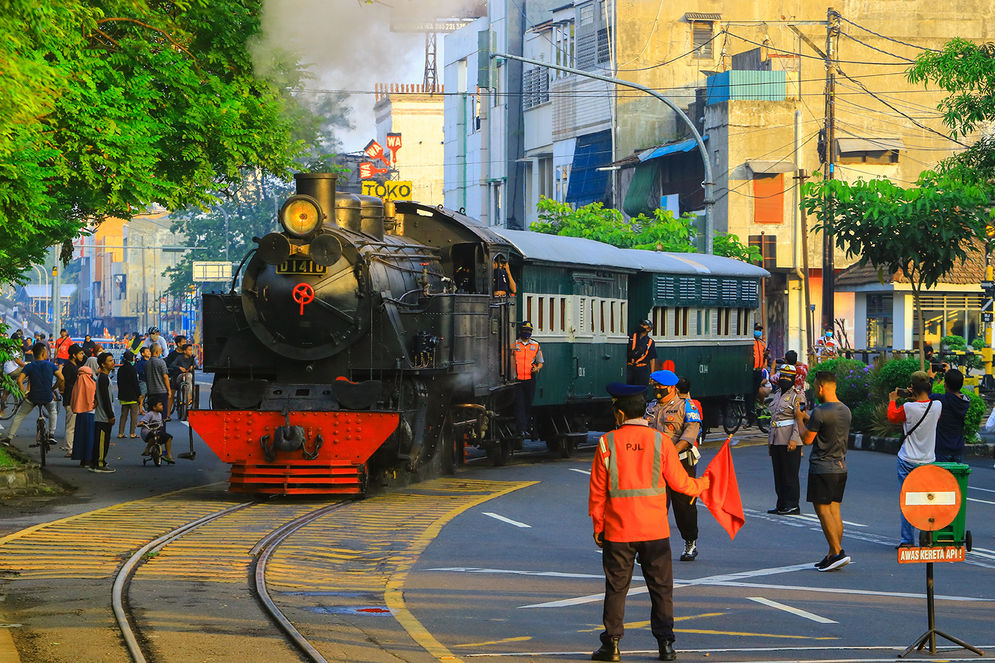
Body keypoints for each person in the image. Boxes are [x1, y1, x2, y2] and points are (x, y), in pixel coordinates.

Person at [589, 382, 710, 662]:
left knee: (617, 588)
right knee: (661, 588)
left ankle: (612, 644)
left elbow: (597, 493)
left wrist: (598, 527)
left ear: (619, 414)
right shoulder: (662, 442)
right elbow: (681, 484)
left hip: (618, 531)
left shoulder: (606, 443)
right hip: (655, 531)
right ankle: (666, 645)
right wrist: (706, 482)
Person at [793, 371, 852, 571]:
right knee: (835, 511)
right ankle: (832, 553)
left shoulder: (820, 411)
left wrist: (799, 419)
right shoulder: (845, 410)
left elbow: (807, 438)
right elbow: (827, 426)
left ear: (820, 387)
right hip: (840, 467)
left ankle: (837, 552)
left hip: (822, 467)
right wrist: (807, 417)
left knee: (823, 511)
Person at [646, 370, 702, 562]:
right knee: (654, 506)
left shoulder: (686, 406)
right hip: (655, 463)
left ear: (671, 387)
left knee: (684, 506)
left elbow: (690, 433)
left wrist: (671, 453)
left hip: (680, 462)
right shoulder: (651, 407)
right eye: (655, 386)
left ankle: (690, 542)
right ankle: (652, 546)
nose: (656, 389)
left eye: (660, 386)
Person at [888, 370, 942, 547]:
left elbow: (892, 416)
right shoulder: (937, 406)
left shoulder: (908, 408)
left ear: (911, 388)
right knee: (927, 500)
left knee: (907, 501)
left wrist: (892, 400)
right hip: (928, 460)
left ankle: (907, 540)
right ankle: (928, 538)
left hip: (907, 460)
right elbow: (928, 407)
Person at [1, 342, 64, 446]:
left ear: (34, 354)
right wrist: (53, 388)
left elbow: (20, 380)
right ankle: (51, 434)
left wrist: (24, 393)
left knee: (20, 415)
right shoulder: (51, 365)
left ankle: (9, 438)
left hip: (32, 396)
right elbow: (61, 378)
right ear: (44, 353)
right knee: (53, 411)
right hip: (47, 396)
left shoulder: (30, 366)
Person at [766, 364, 806, 515]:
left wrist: (794, 439)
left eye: (788, 377)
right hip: (776, 439)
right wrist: (770, 442)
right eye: (782, 376)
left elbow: (800, 419)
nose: (784, 379)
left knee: (790, 475)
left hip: (790, 439)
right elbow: (774, 419)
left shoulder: (798, 396)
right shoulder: (777, 394)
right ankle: (781, 503)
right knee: (779, 474)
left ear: (793, 379)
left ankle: (793, 504)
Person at [930, 369, 970, 463]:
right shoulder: (965, 402)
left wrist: (931, 378)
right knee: (956, 478)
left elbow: (925, 397)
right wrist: (951, 374)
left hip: (941, 448)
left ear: (945, 385)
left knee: (941, 477)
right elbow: (955, 394)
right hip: (958, 448)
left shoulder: (940, 400)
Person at [512, 322, 543, 437]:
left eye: (529, 330)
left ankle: (526, 427)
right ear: (520, 331)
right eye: (525, 330)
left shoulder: (535, 345)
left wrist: (537, 368)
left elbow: (540, 362)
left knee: (528, 403)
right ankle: (522, 428)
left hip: (530, 379)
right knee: (519, 404)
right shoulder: (514, 344)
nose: (527, 332)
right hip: (518, 380)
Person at [92, 352, 116, 472]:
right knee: (102, 442)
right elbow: (105, 398)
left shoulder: (104, 377)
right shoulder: (102, 378)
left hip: (103, 415)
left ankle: (96, 462)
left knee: (101, 441)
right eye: (110, 361)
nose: (113, 362)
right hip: (103, 416)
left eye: (113, 360)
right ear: (103, 364)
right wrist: (110, 415)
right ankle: (100, 464)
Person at [70, 362, 96, 468]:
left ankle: (81, 458)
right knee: (90, 437)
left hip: (80, 413)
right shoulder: (92, 383)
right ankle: (88, 458)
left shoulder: (77, 383)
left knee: (80, 437)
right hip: (91, 413)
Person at [61, 343, 85, 456]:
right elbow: (64, 382)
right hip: (71, 398)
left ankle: (69, 445)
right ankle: (70, 448)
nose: (82, 356)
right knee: (71, 425)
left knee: (70, 424)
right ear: (74, 355)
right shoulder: (69, 366)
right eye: (80, 354)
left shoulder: (74, 365)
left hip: (73, 398)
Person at [746, 323, 770, 426]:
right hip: (751, 370)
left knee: (755, 393)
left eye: (760, 330)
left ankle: (753, 414)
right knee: (749, 395)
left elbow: (764, 357)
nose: (758, 331)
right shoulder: (750, 342)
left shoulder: (762, 343)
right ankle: (749, 416)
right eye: (756, 329)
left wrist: (766, 355)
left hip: (759, 371)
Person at [138, 399, 174, 463]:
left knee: (169, 437)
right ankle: (147, 448)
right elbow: (142, 421)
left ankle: (168, 454)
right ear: (154, 407)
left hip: (156, 431)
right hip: (147, 432)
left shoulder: (160, 415)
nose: (162, 406)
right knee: (154, 435)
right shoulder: (150, 414)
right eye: (160, 405)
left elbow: (160, 425)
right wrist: (141, 423)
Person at [117, 350, 141, 439]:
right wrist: (138, 394)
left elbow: (119, 383)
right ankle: (132, 433)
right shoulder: (132, 369)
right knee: (134, 415)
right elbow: (135, 383)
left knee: (123, 415)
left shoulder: (120, 369)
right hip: (133, 396)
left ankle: (120, 433)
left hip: (123, 396)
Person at [626, 319, 656, 387]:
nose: (641, 326)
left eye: (643, 325)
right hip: (629, 368)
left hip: (642, 369)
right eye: (641, 324)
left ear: (649, 329)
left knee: (642, 389)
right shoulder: (630, 336)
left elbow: (652, 359)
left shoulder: (650, 342)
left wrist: (652, 375)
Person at [145, 342, 171, 421]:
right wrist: (169, 390)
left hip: (151, 391)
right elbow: (165, 376)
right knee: (162, 415)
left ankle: (152, 431)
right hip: (161, 391)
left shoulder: (147, 363)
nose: (161, 352)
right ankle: (161, 431)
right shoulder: (161, 362)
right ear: (156, 352)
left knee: (151, 415)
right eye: (160, 351)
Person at [135, 345, 150, 413]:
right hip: (143, 380)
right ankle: (140, 409)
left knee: (148, 395)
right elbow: (139, 371)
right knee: (142, 395)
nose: (149, 352)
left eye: (149, 351)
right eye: (147, 351)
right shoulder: (141, 362)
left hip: (150, 380)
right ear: (142, 354)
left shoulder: (150, 361)